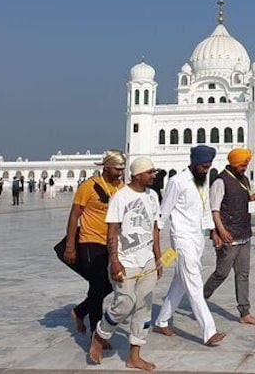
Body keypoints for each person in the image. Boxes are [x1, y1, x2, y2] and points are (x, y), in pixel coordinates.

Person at [88, 157, 162, 370]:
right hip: (125, 260)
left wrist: (157, 258)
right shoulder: (121, 197)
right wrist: (115, 261)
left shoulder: (153, 196)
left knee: (144, 307)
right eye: (150, 173)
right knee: (124, 303)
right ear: (138, 175)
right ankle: (99, 337)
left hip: (146, 259)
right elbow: (111, 231)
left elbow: (155, 228)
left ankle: (134, 355)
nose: (153, 176)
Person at [153, 145, 226, 347]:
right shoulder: (177, 182)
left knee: (180, 281)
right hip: (182, 238)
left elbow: (204, 209)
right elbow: (163, 213)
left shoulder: (202, 181)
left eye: (209, 167)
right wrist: (156, 248)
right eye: (204, 166)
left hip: (197, 238)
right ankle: (209, 331)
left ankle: (161, 320)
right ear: (194, 163)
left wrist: (213, 232)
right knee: (194, 282)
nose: (206, 169)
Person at [63, 150, 125, 346]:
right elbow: (74, 216)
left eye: (123, 169)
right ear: (106, 167)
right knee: (98, 286)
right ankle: (95, 335)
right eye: (117, 169)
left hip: (110, 243)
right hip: (90, 241)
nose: (120, 172)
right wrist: (71, 246)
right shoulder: (89, 186)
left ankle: (80, 311)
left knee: (108, 285)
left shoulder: (121, 187)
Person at [203, 148, 255, 326]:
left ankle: (244, 312)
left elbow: (240, 197)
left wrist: (251, 198)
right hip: (229, 235)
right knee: (221, 273)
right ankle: (200, 298)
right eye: (242, 164)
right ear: (234, 163)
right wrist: (220, 231)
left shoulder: (243, 178)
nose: (245, 167)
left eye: (246, 164)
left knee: (243, 274)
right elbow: (214, 210)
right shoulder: (221, 181)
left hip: (244, 233)